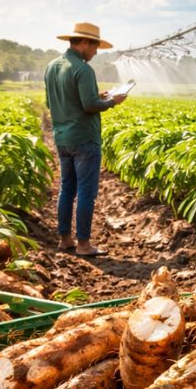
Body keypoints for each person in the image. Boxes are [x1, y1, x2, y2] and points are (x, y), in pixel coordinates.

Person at [44, 22, 127, 258]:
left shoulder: (52, 66)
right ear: (84, 42)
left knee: (66, 189)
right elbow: (90, 105)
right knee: (85, 192)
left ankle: (65, 239)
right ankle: (83, 244)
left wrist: (95, 95)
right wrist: (112, 101)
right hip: (84, 139)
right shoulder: (83, 69)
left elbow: (52, 101)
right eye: (95, 47)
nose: (96, 52)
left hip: (62, 138)